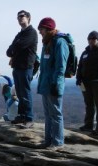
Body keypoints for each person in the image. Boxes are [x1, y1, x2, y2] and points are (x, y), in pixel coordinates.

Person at [37, 17, 69, 151]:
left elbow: (61, 66)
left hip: (53, 85)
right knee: (48, 114)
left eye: (42, 29)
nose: (40, 32)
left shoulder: (60, 42)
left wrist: (56, 84)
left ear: (48, 29)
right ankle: (48, 140)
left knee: (56, 114)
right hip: (45, 84)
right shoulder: (47, 43)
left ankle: (57, 142)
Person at [6, 10, 38, 127]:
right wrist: (15, 48)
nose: (20, 18)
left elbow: (19, 46)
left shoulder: (32, 33)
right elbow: (9, 51)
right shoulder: (20, 34)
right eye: (18, 17)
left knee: (25, 93)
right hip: (17, 67)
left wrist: (15, 47)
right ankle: (21, 115)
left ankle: (29, 118)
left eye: (22, 16)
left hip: (26, 67)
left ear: (28, 18)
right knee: (19, 93)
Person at [76, 31, 98, 135]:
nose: (91, 40)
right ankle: (88, 125)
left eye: (94, 39)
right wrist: (78, 77)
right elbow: (80, 66)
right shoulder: (85, 52)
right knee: (89, 104)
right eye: (90, 39)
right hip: (85, 82)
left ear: (97, 39)